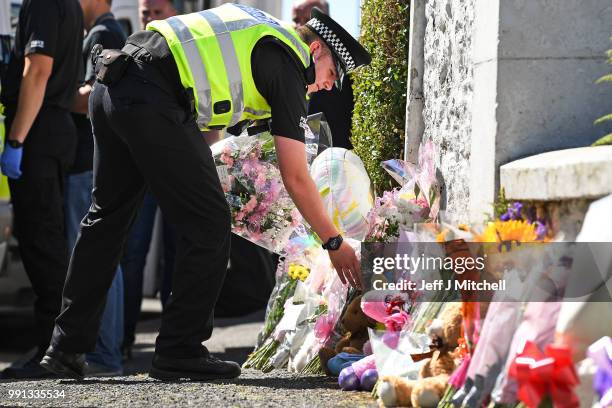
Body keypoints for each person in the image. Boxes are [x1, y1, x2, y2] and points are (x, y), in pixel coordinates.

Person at [41, 4, 369, 381]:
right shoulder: (289, 63)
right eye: (334, 73)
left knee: (105, 220)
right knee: (210, 223)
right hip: (151, 95)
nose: (330, 85)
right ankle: (180, 350)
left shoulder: (263, 32)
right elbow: (295, 175)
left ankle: (64, 349)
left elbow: (209, 102)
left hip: (113, 85)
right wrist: (332, 241)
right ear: (315, 51)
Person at [0, 0, 83, 379]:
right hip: (53, 125)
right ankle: (55, 347)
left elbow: (38, 70)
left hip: (39, 128)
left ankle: (56, 351)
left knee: (42, 243)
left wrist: (16, 140)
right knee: (46, 241)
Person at [65, 0, 127, 376]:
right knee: (101, 257)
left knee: (98, 258)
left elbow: (93, 93)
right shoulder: (103, 31)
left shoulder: (103, 33)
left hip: (87, 162)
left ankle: (104, 354)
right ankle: (104, 351)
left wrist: (52, 94)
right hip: (91, 161)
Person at [120, 0, 178, 361]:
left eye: (156, 12)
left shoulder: (184, 53)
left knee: (178, 256)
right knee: (132, 255)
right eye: (145, 13)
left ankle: (172, 344)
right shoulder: (129, 51)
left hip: (177, 170)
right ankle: (123, 340)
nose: (149, 19)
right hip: (140, 172)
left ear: (172, 12)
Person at [292, 0, 355, 149]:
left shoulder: (344, 74)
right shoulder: (285, 65)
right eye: (296, 20)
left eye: (307, 20)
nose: (300, 26)